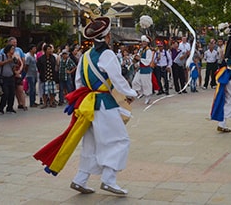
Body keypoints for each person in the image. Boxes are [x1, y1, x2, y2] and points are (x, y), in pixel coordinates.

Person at [33, 17, 137, 196]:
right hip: (104, 104)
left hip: (87, 104)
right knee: (119, 140)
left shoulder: (86, 55)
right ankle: (108, 179)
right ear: (107, 36)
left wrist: (83, 100)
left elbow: (79, 81)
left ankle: (80, 179)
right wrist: (131, 94)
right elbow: (117, 78)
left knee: (90, 144)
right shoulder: (108, 54)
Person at [0, 44, 21, 114]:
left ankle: (10, 107)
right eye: (12, 49)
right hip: (3, 77)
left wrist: (16, 66)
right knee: (5, 93)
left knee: (12, 93)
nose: (13, 50)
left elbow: (13, 67)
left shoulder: (13, 57)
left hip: (11, 77)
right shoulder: (2, 56)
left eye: (14, 49)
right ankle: (1, 107)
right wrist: (8, 61)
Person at [132, 36, 154, 104]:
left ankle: (148, 97)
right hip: (140, 69)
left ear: (147, 42)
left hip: (146, 69)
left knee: (146, 84)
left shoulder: (149, 51)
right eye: (142, 41)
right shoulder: (141, 50)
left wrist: (140, 59)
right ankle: (140, 92)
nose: (143, 43)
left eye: (144, 42)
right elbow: (137, 57)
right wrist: (135, 59)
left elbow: (148, 61)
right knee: (135, 82)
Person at [37, 44, 57, 108]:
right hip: (44, 76)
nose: (50, 50)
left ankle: (51, 102)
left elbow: (55, 66)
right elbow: (39, 67)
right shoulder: (41, 58)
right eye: (48, 49)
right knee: (44, 91)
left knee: (52, 91)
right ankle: (45, 103)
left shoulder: (53, 57)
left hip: (52, 76)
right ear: (45, 50)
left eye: (50, 49)